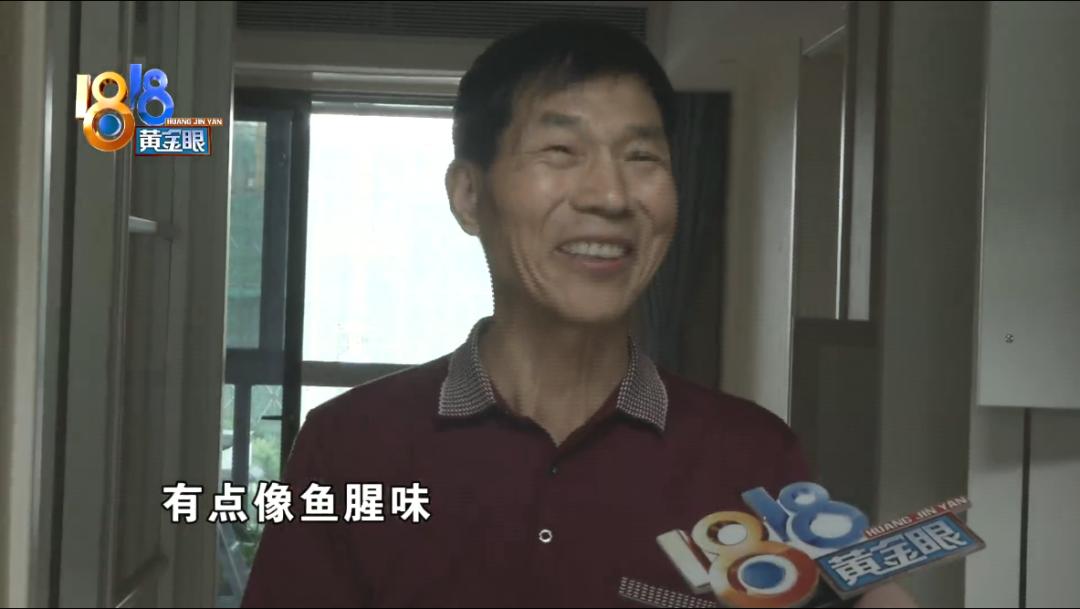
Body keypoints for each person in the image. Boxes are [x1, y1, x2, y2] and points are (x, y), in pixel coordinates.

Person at [242, 19, 916, 608]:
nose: (611, 196)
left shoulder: (754, 455)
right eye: (561, 152)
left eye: (642, 156)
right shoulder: (348, 446)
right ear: (469, 194)